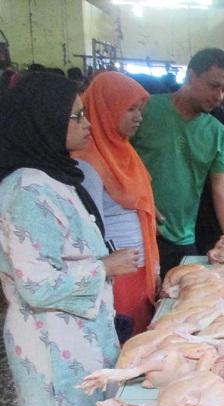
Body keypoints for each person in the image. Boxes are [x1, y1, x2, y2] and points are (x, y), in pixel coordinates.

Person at [0, 72, 138, 406]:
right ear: (43, 121)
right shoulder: (26, 191)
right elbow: (37, 286)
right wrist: (105, 267)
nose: (87, 124)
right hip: (53, 347)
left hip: (83, 336)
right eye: (76, 117)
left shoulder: (56, 175)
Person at [132, 48, 224, 276]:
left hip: (182, 237)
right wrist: (137, 200)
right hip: (137, 233)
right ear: (191, 76)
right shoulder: (146, 109)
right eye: (214, 86)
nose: (219, 96)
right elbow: (115, 158)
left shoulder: (216, 132)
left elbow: (223, 189)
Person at [73, 71, 159, 338]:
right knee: (124, 342)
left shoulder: (123, 150)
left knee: (140, 338)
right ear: (106, 109)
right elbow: (87, 229)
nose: (138, 117)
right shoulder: (87, 162)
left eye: (140, 109)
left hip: (137, 264)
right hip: (115, 272)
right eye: (130, 109)